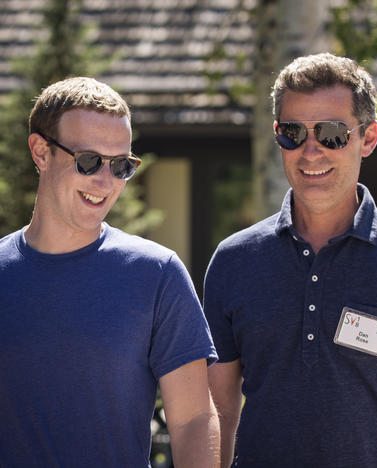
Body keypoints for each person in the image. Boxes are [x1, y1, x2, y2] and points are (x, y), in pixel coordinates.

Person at [204, 53, 377, 468]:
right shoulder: (234, 261)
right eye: (293, 132)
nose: (310, 151)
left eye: (332, 133)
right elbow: (218, 412)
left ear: (368, 138)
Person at [0, 77, 220, 466]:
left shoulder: (157, 274)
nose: (106, 182)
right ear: (40, 152)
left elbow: (193, 419)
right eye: (89, 161)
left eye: (121, 165)